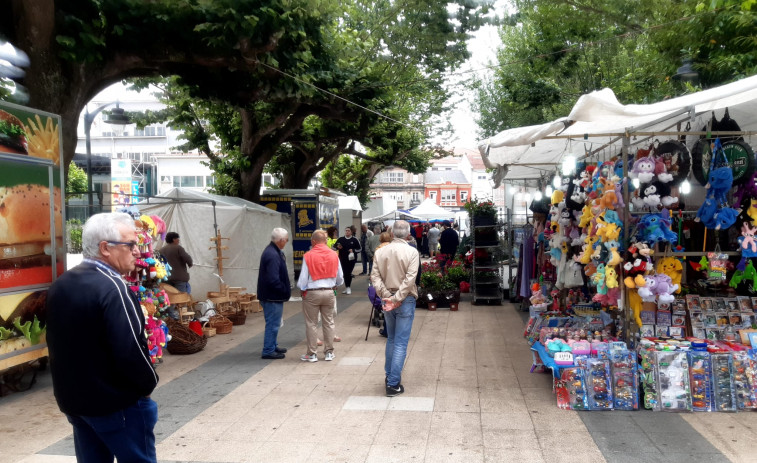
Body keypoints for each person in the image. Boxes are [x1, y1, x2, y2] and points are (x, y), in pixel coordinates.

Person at [46, 212, 159, 463]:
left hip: (76, 403)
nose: (137, 252)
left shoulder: (62, 283)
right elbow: (131, 349)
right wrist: (148, 385)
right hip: (116, 405)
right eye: (130, 245)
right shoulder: (113, 287)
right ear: (105, 248)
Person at [370, 220, 420, 397]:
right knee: (400, 342)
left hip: (388, 299)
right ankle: (393, 383)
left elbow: (374, 277)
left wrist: (387, 297)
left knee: (391, 339)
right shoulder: (412, 252)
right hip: (404, 300)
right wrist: (397, 298)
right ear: (407, 234)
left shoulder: (380, 251)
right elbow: (410, 278)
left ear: (391, 234)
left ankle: (389, 376)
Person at [298, 230, 344, 362]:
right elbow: (340, 277)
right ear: (325, 241)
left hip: (312, 293)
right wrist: (336, 284)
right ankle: (329, 352)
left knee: (311, 323)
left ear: (313, 241)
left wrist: (302, 289)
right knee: (328, 322)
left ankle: (312, 354)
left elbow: (302, 279)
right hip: (329, 291)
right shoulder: (334, 254)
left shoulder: (308, 255)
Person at [258, 228, 291, 360]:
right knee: (273, 323)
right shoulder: (272, 254)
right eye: (286, 240)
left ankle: (272, 345)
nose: (286, 242)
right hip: (272, 296)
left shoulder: (272, 251)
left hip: (270, 295)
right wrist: (283, 289)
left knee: (273, 322)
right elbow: (273, 278)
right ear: (281, 240)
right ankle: (268, 350)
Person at [335, 225, 361, 295]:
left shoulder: (354, 240)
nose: (347, 232)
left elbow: (360, 249)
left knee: (348, 273)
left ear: (351, 232)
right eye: (346, 230)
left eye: (348, 231)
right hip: (342, 259)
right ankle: (347, 287)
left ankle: (348, 287)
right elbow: (334, 247)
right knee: (345, 273)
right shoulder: (341, 239)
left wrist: (353, 250)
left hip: (352, 259)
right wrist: (337, 247)